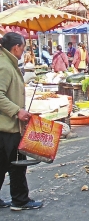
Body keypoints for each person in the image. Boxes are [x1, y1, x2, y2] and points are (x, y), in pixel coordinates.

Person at [0, 32, 43, 210]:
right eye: (23, 47)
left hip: (9, 125)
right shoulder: (4, 66)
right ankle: (20, 200)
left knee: (4, 165)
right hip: (7, 127)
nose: (24, 51)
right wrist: (17, 111)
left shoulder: (9, 63)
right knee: (17, 166)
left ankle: (20, 199)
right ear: (16, 47)